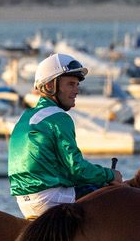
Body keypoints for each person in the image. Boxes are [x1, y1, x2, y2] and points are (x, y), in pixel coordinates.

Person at [8, 53, 122, 219]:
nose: (76, 90)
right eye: (70, 84)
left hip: (24, 202)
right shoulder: (59, 117)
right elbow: (76, 169)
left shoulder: (25, 116)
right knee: (117, 199)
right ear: (49, 86)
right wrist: (110, 175)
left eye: (77, 85)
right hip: (52, 198)